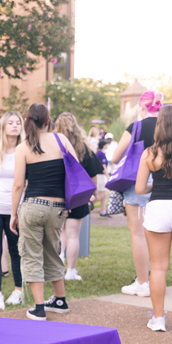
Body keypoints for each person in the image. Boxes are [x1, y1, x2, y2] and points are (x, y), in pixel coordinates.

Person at [10, 103, 77, 321]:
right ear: (48, 121)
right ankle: (60, 300)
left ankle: (39, 308)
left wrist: (13, 214)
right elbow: (74, 169)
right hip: (58, 207)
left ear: (27, 120)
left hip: (33, 206)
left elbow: (18, 185)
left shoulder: (23, 147)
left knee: (32, 254)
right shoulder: (61, 139)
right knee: (53, 251)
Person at [136, 106, 172, 331]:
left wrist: (156, 186)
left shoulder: (150, 153)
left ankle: (158, 319)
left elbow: (139, 189)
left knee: (158, 268)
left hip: (158, 207)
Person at [113, 90, 164, 297]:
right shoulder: (168, 127)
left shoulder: (136, 127)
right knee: (158, 235)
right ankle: (155, 279)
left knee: (138, 234)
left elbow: (115, 157)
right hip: (164, 184)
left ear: (142, 106)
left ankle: (143, 282)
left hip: (138, 184)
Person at [54, 112, 104, 281]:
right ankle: (71, 271)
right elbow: (93, 174)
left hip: (57, 194)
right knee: (73, 235)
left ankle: (59, 261)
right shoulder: (83, 148)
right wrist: (93, 191)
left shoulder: (53, 146)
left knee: (60, 233)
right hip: (78, 195)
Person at [0, 111, 25, 310]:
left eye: (18, 122)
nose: (15, 125)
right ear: (3, 126)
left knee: (16, 251)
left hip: (16, 211)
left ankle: (18, 291)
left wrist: (17, 211)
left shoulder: (24, 151)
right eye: (10, 122)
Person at [96, 139, 112, 216]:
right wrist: (107, 176)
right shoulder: (101, 154)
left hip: (99, 175)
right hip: (101, 176)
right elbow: (103, 166)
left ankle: (103, 211)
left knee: (104, 194)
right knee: (103, 193)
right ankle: (89, 203)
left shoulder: (99, 153)